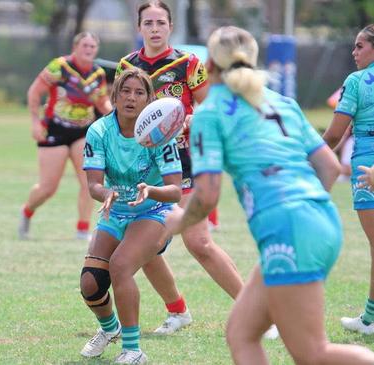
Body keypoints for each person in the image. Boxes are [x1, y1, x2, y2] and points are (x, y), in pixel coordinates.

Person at [166, 25, 374, 365]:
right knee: (241, 334)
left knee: (312, 353)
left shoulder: (210, 112)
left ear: (210, 66)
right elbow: (329, 167)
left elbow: (206, 195)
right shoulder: (281, 102)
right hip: (320, 220)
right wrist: (301, 209)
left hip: (289, 230)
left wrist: (176, 222)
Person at [115, 0, 247, 335]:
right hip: (145, 167)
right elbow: (119, 112)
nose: (155, 29)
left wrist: (188, 119)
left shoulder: (187, 63)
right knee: (144, 245)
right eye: (148, 23)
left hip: (186, 161)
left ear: (170, 26)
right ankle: (178, 311)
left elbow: (210, 105)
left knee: (198, 243)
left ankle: (253, 310)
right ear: (139, 27)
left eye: (160, 22)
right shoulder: (127, 65)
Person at [79, 68, 180, 364]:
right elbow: (93, 184)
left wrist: (151, 190)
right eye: (125, 91)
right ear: (115, 95)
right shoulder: (99, 131)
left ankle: (133, 350)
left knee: (120, 265)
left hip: (155, 211)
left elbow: (175, 191)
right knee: (91, 284)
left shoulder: (160, 133)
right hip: (117, 211)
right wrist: (105, 193)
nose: (131, 98)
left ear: (149, 99)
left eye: (139, 93)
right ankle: (110, 328)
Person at [18, 31, 113, 240]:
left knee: (90, 182)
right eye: (85, 46)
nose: (88, 50)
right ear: (75, 47)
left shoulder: (97, 74)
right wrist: (35, 122)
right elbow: (34, 93)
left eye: (92, 47)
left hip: (83, 132)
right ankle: (26, 211)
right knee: (48, 187)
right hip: (55, 130)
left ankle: (82, 229)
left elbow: (102, 102)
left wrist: (118, 117)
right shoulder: (59, 67)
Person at [323, 24, 374, 335]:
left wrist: (304, 160)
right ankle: (368, 318)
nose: (354, 52)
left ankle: (369, 321)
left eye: (360, 46)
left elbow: (332, 135)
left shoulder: (356, 81)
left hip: (367, 165)